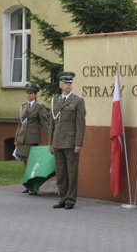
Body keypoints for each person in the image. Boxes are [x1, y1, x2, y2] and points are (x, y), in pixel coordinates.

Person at [49, 72, 85, 210]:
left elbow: (80, 124)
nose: (69, 85)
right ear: (60, 84)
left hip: (70, 143)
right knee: (61, 172)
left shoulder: (78, 101)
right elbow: (52, 123)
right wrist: (51, 142)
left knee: (71, 172)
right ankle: (62, 197)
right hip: (57, 142)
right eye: (66, 83)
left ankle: (70, 199)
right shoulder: (55, 100)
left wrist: (78, 143)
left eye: (70, 83)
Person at [13, 83, 49, 195]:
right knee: (24, 160)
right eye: (27, 93)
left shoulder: (39, 107)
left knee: (31, 162)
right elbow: (20, 124)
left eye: (31, 93)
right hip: (22, 137)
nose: (28, 95)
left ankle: (34, 186)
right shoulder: (23, 106)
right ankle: (27, 184)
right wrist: (16, 138)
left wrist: (51, 137)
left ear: (35, 95)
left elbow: (45, 122)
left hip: (32, 137)